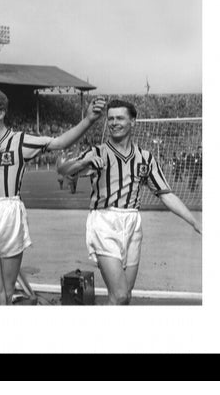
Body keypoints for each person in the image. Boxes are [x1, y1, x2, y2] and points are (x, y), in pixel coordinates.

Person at [0, 89, 106, 305]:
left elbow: (59, 143)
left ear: (1, 113)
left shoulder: (20, 141)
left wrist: (88, 119)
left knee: (7, 290)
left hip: (8, 211)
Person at [58, 99, 201, 305]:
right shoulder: (98, 152)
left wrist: (195, 223)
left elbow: (166, 194)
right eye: (111, 119)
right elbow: (63, 171)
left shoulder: (146, 158)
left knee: (124, 297)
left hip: (133, 223)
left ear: (133, 121)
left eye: (120, 118)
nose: (114, 123)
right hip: (105, 222)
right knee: (120, 295)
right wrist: (83, 162)